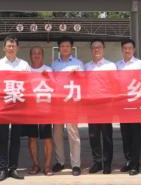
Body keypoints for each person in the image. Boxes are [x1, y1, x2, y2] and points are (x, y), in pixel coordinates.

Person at [0, 35, 31, 181]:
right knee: (2, 138)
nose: (11, 48)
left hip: (18, 106)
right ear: (4, 48)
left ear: (17, 48)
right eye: (9, 46)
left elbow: (29, 84)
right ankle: (2, 169)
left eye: (13, 46)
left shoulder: (24, 65)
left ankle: (13, 168)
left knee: (16, 139)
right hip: (3, 106)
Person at [50, 37, 84, 176]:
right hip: (57, 104)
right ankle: (60, 162)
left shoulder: (78, 64)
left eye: (67, 46)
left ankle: (76, 165)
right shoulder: (53, 65)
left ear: (71, 48)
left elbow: (84, 81)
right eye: (62, 46)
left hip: (72, 103)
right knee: (57, 134)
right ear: (59, 48)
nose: (65, 48)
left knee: (73, 133)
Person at [84, 40, 117, 175]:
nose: (96, 49)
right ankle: (97, 162)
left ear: (103, 48)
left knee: (107, 135)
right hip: (91, 105)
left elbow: (115, 84)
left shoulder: (111, 66)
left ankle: (107, 163)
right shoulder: (86, 67)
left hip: (106, 105)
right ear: (91, 50)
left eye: (99, 47)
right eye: (94, 47)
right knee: (93, 135)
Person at [115, 39, 141, 176]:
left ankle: (135, 164)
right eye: (125, 48)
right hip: (122, 104)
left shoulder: (140, 64)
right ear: (122, 50)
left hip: (135, 104)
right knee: (125, 135)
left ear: (134, 50)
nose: (127, 50)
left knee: (135, 136)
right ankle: (128, 160)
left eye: (130, 48)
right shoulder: (117, 65)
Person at [24, 46, 54, 176]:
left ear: (43, 55)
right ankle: (35, 165)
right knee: (32, 138)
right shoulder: (26, 70)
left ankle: (47, 166)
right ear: (30, 56)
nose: (36, 55)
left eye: (39, 53)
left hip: (45, 109)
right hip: (30, 110)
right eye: (34, 53)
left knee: (47, 138)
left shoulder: (48, 70)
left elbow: (55, 87)